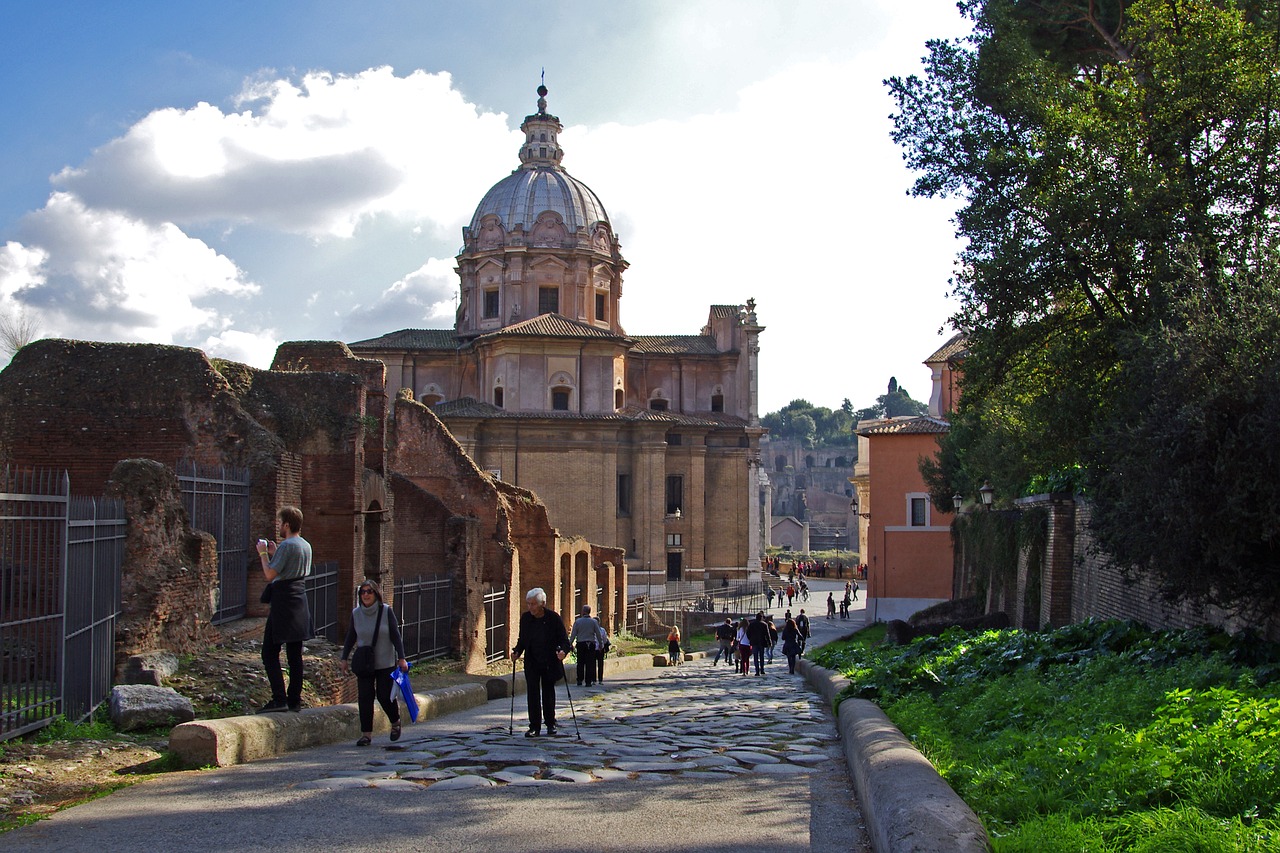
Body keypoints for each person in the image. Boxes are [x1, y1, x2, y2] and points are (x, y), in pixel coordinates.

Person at [255, 506, 312, 713]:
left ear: (287, 524)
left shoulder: (287, 545)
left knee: (269, 652)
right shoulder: (305, 545)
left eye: (280, 523)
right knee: (294, 654)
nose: (278, 527)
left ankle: (279, 698)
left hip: (283, 602)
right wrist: (275, 553)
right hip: (299, 600)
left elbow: (270, 575)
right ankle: (294, 700)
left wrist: (263, 554)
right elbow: (291, 567)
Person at [341, 580, 408, 746]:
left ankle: (395, 721)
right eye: (363, 592)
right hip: (365, 663)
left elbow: (395, 636)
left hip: (385, 662)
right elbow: (351, 636)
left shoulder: (385, 611)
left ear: (376, 594)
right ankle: (366, 734)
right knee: (365, 698)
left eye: (369, 591)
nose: (365, 595)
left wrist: (402, 657)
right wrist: (344, 658)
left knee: (385, 696)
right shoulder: (356, 613)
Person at [510, 588, 571, 737]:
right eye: (528, 604)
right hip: (532, 661)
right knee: (532, 694)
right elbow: (522, 640)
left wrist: (563, 652)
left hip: (549, 661)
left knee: (548, 693)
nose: (530, 607)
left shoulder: (553, 618)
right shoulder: (525, 619)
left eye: (533, 604)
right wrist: (517, 651)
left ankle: (550, 723)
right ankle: (534, 726)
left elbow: (564, 640)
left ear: (542, 604)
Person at [569, 605, 600, 686]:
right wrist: (600, 644)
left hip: (581, 643)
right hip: (591, 643)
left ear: (583, 612)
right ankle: (588, 681)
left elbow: (573, 634)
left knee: (580, 662)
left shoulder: (578, 621)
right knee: (590, 663)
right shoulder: (594, 622)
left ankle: (579, 679)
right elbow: (598, 634)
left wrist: (570, 643)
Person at [746, 612, 771, 676]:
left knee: (755, 657)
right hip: (762, 642)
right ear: (761, 618)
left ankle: (757, 671)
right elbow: (767, 634)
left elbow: (748, 633)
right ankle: (762, 670)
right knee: (761, 656)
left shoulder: (751, 624)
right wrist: (769, 642)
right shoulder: (764, 624)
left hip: (754, 642)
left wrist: (750, 639)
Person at [593, 616, 609, 684]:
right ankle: (600, 680)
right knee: (600, 664)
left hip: (593, 649)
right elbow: (605, 640)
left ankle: (593, 680)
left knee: (592, 665)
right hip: (600, 648)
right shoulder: (602, 630)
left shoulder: (591, 630)